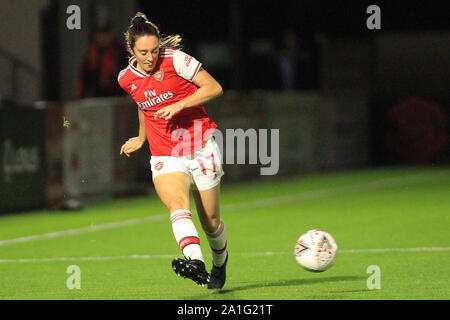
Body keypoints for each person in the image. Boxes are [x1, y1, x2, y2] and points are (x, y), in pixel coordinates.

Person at [117, 12, 227, 289]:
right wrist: (142, 138)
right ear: (131, 50)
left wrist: (180, 104)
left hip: (200, 145)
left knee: (211, 221)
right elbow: (144, 105)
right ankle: (196, 263)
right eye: (143, 52)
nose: (150, 57)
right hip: (166, 151)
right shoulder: (125, 78)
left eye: (154, 50)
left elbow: (214, 88)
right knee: (178, 205)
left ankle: (219, 262)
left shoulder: (176, 60)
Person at [77, 22, 124, 98]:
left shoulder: (119, 51)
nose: (102, 37)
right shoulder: (90, 55)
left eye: (105, 34)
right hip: (97, 97)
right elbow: (83, 78)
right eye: (99, 34)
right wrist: (81, 96)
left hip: (119, 96)